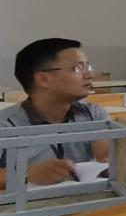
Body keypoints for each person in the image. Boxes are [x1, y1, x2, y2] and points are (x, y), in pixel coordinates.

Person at [0, 38, 109, 191]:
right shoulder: (5, 125)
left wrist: (111, 156)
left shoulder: (93, 114)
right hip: (30, 205)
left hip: (84, 201)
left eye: (88, 66)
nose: (90, 75)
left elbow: (107, 154)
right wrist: (26, 174)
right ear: (43, 79)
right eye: (77, 68)